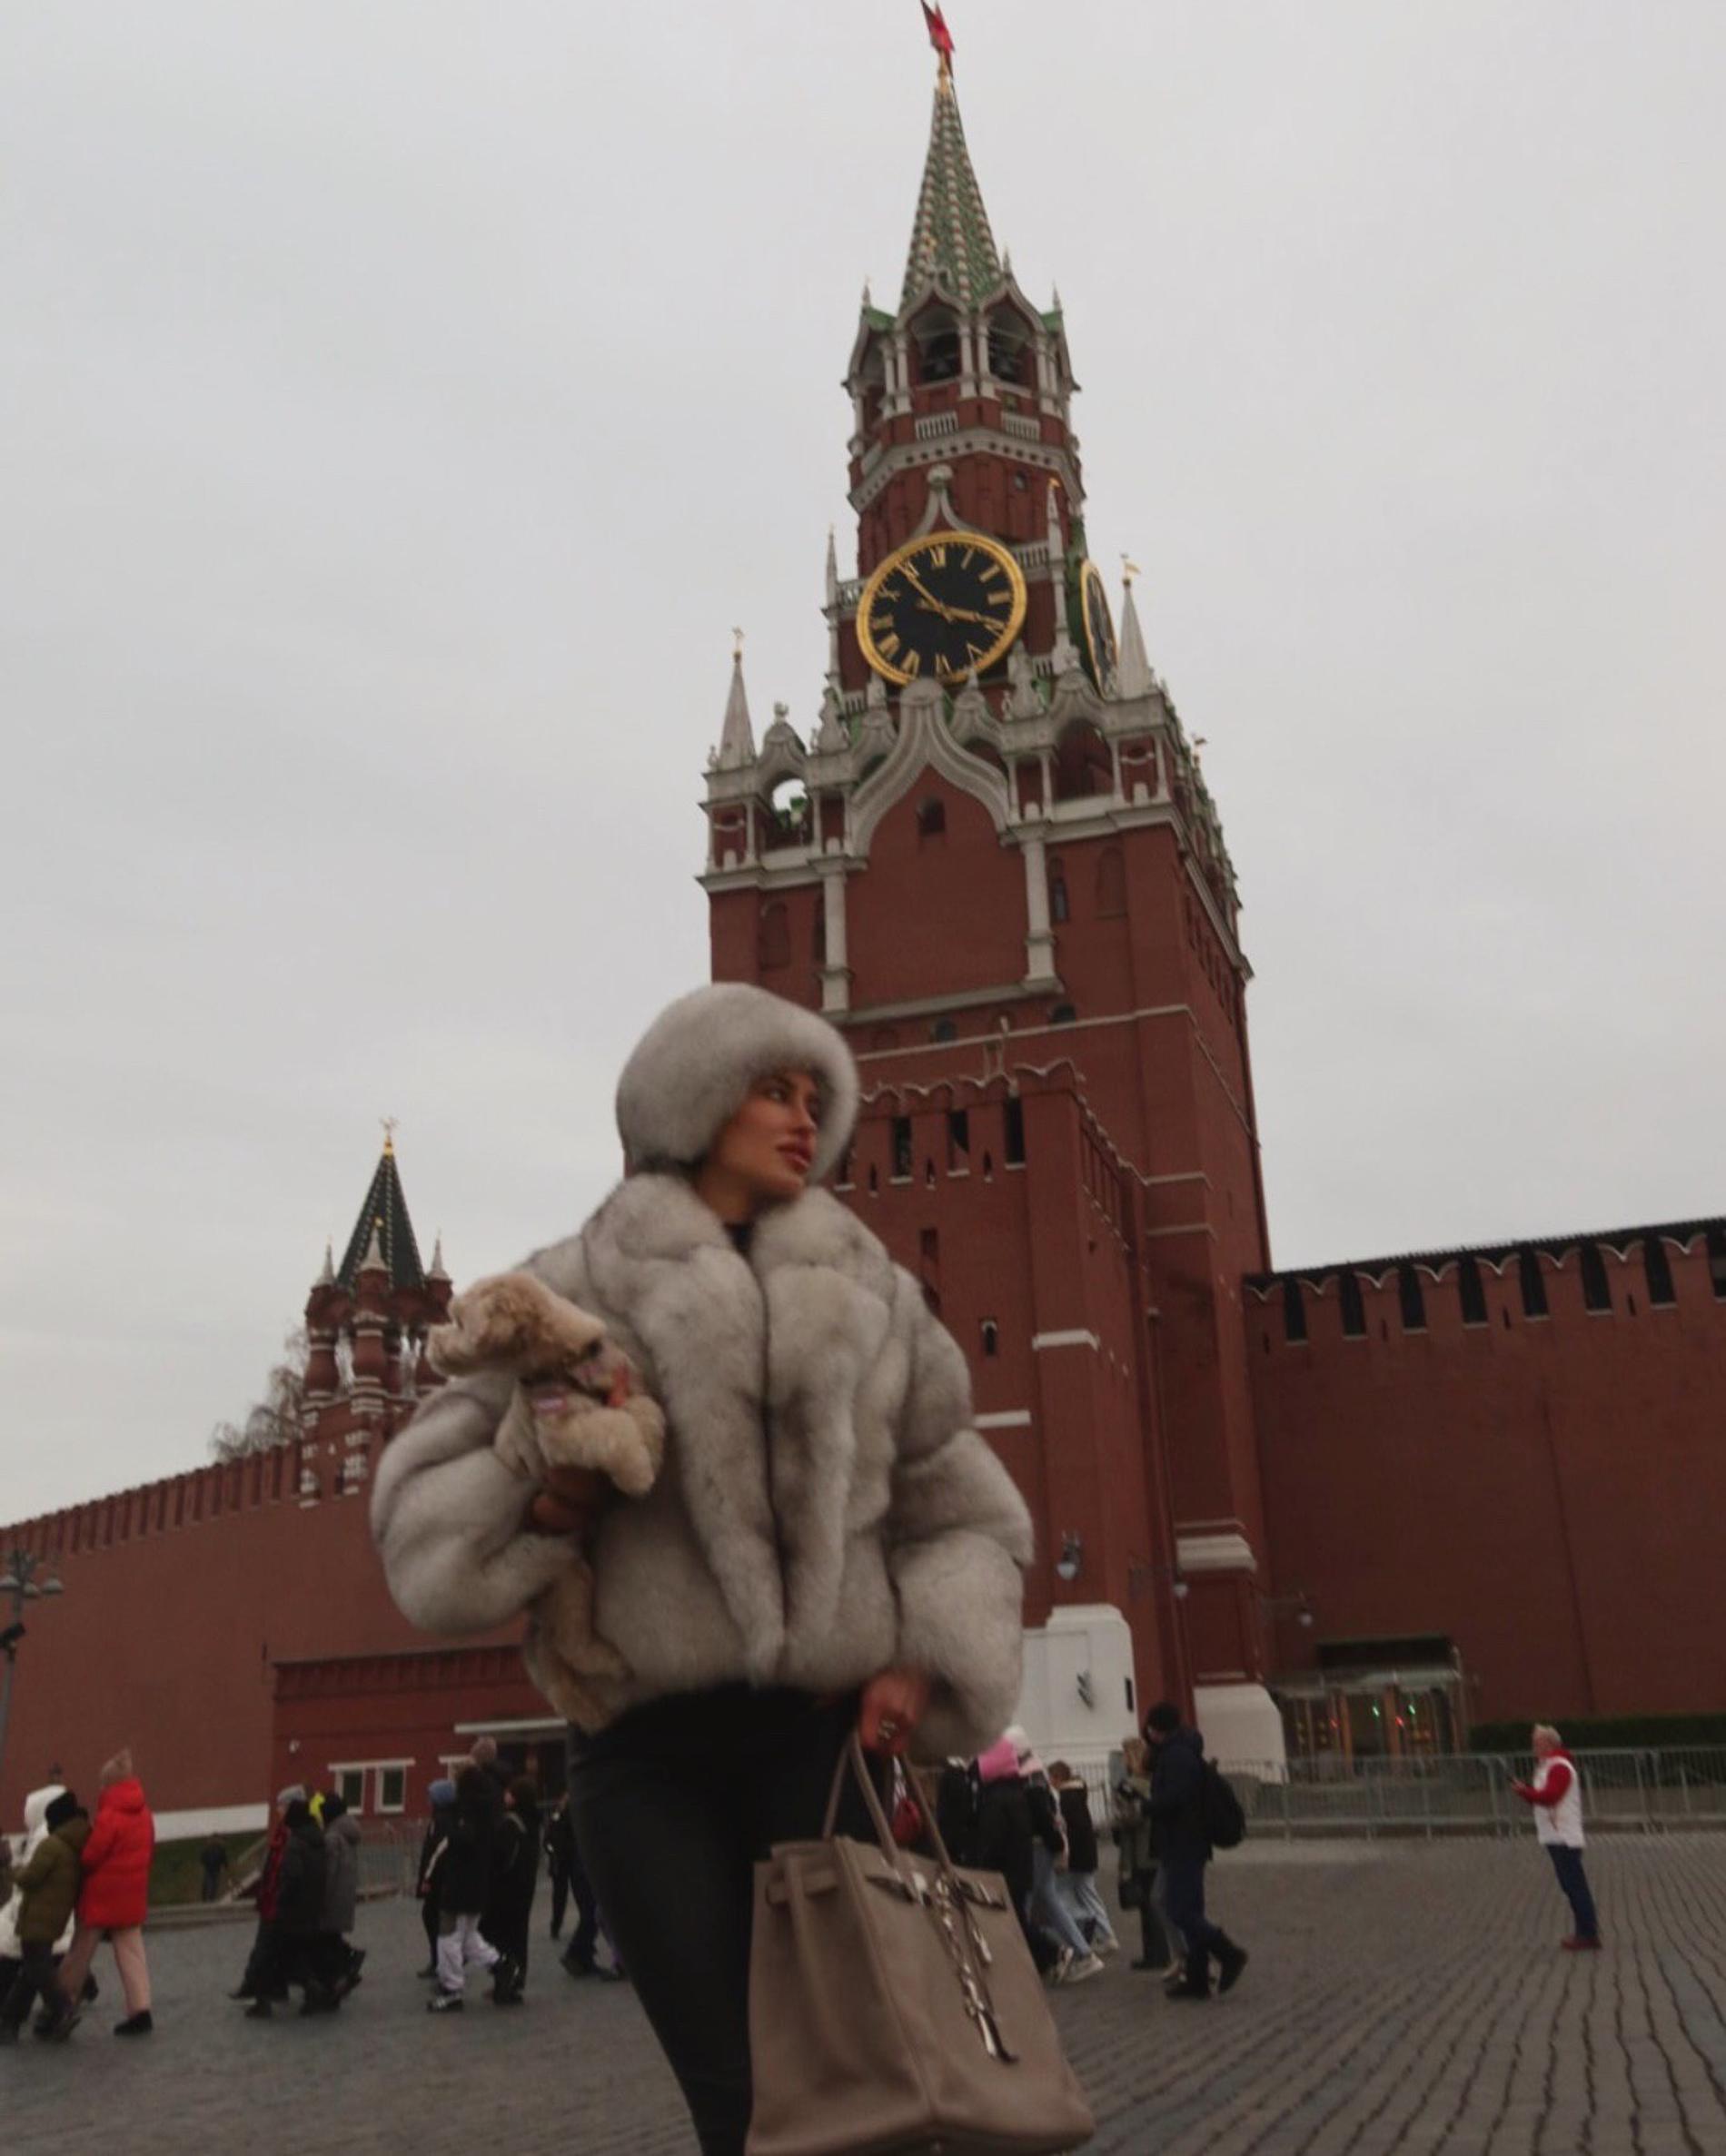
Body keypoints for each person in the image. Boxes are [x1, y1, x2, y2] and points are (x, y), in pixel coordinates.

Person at [372, 983, 1034, 2155]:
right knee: (740, 2099)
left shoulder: (873, 1295)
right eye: (773, 1090)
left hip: (815, 1750)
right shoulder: (569, 1286)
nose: (804, 1118)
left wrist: (922, 1661)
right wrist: (544, 1490)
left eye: (814, 1096)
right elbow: (421, 1511)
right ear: (692, 1101)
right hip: (642, 1762)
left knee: (860, 2093)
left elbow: (960, 1505)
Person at [1143, 1703, 1246, 2000]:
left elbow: (1175, 1799)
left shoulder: (1176, 1757)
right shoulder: (1181, 1752)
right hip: (1185, 1842)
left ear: (1158, 1728)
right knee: (1190, 1909)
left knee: (1179, 1910)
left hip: (1184, 1842)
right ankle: (1198, 1978)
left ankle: (1228, 1953)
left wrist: (1146, 1806)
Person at [51, 1748, 156, 2036]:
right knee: (132, 1953)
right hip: (132, 1895)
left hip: (103, 1897)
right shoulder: (145, 1814)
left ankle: (59, 2005)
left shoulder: (110, 1815)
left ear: (109, 1784)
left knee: (80, 1954)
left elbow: (91, 1856)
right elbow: (150, 1850)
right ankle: (141, 2009)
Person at [425, 1765, 519, 2013]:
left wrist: (451, 1831)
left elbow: (461, 1840)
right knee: (468, 1937)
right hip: (478, 1884)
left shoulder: (465, 1812)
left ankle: (452, 1988)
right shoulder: (489, 1811)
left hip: (459, 1885)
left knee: (448, 1937)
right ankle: (501, 1964)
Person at [1013, 1734, 1103, 1983]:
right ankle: (1080, 1950)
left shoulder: (1031, 1781)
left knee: (1030, 1903)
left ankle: (1051, 1954)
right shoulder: (1038, 1778)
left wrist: (1055, 1843)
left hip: (1037, 1846)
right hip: (1044, 1846)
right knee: (1046, 1899)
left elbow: (1042, 1818)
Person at [0, 1793, 88, 2041]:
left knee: (37, 1970)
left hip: (37, 1916)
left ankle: (62, 2008)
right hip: (55, 1916)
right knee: (31, 1971)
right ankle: (10, 2022)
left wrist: (12, 1869)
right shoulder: (73, 1845)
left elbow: (30, 1878)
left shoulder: (51, 1845)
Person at [1512, 1723, 1602, 1950]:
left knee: (1574, 1885)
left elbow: (1551, 1796)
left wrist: (1526, 1792)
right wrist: (1528, 1793)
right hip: (1555, 1833)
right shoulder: (1549, 1766)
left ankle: (1587, 1932)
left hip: (1563, 1834)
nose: (1534, 1748)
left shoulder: (1559, 1767)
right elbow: (1545, 1796)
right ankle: (1585, 1930)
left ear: (1550, 1744)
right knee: (1570, 1884)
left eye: (1538, 1743)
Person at [1113, 1736, 1176, 1976]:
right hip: (1159, 1844)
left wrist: (1117, 1822)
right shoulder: (1158, 1781)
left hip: (1138, 1848)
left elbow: (1130, 1817)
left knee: (1147, 1903)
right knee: (1154, 1900)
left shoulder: (1129, 1786)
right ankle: (1159, 1952)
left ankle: (1156, 1953)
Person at [233, 1784, 300, 2006]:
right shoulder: (284, 1832)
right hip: (273, 1900)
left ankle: (258, 1992)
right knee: (273, 1948)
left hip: (277, 1902)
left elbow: (282, 1870)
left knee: (266, 1949)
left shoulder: (289, 1835)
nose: (277, 1810)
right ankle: (269, 1988)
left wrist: (274, 1895)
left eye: (281, 1806)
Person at [1048, 1761, 1118, 1956]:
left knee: (1063, 1895)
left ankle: (1090, 1927)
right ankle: (1105, 1934)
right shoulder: (1077, 1795)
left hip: (1076, 1856)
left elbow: (1073, 1829)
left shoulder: (1066, 1799)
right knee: (1088, 1894)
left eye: (1051, 1778)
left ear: (1057, 1778)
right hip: (1086, 1854)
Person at [484, 1776, 541, 2003]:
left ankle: (504, 1981)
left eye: (509, 1792)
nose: (505, 1795)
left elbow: (500, 1857)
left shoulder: (510, 1823)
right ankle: (516, 1979)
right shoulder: (533, 1821)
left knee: (501, 1936)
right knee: (518, 1935)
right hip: (525, 1887)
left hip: (506, 1888)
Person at [312, 1791, 364, 2002]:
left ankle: (338, 1979)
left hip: (332, 1899)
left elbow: (329, 1873)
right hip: (343, 1897)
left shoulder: (332, 1837)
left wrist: (320, 1900)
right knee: (332, 1939)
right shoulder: (347, 1832)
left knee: (325, 1942)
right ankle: (346, 1970)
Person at [415, 1778, 457, 1978]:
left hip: (439, 1880)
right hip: (441, 1878)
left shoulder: (441, 1821)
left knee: (434, 1918)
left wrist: (427, 1878)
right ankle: (440, 1959)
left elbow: (437, 1852)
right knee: (433, 1917)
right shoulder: (441, 1819)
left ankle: (441, 1961)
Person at [198, 1833, 230, 1904]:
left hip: (216, 1870)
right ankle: (205, 1899)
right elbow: (203, 1858)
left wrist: (226, 1867)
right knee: (208, 1884)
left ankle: (211, 1899)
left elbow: (224, 1859)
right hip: (209, 1870)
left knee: (214, 1885)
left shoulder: (221, 1849)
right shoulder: (208, 1849)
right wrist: (203, 1865)